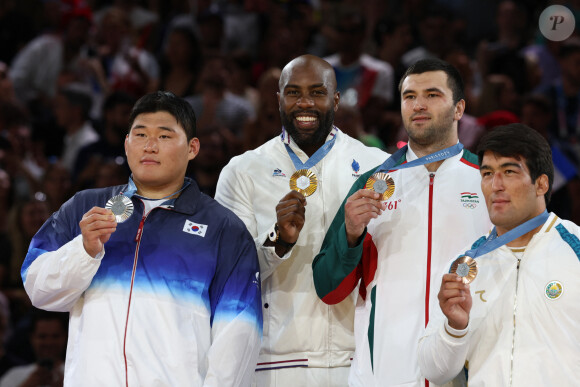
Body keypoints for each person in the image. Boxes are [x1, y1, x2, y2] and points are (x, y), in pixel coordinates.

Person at [21, 91, 262, 386]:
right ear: (126, 143)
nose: (149, 146)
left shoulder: (224, 228)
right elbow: (37, 288)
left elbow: (239, 335)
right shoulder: (85, 208)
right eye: (140, 135)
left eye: (164, 136)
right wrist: (83, 251)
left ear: (192, 148)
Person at [312, 58, 492, 387]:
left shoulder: (490, 183)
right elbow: (328, 289)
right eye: (409, 96)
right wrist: (350, 236)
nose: (419, 105)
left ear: (459, 108)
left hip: (467, 375)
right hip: (382, 378)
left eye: (433, 95)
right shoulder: (372, 184)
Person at [215, 54, 388, 386]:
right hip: (274, 362)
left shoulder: (375, 167)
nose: (304, 103)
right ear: (278, 99)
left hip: (359, 361)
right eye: (293, 92)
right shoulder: (242, 172)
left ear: (335, 99)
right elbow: (227, 277)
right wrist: (277, 240)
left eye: (317, 92)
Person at [418, 123, 580, 386]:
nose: (496, 185)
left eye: (509, 172)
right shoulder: (465, 266)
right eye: (487, 173)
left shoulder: (575, 249)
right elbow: (433, 371)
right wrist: (454, 329)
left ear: (541, 184)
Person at [0, 309, 67, 387]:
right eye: (42, 336)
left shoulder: (76, 375)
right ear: (32, 338)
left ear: (65, 337)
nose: (49, 342)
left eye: (55, 336)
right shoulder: (13, 376)